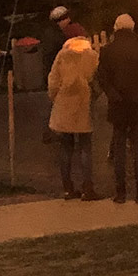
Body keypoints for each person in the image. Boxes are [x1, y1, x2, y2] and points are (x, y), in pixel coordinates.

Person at [95, 13, 138, 203]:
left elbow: (101, 77)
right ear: (131, 28)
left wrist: (113, 94)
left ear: (116, 28)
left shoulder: (107, 51)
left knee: (119, 149)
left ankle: (120, 192)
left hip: (118, 105)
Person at [47, 26, 100, 200]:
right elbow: (97, 81)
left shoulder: (62, 56)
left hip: (64, 106)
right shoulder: (92, 56)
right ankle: (87, 188)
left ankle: (68, 188)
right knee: (85, 147)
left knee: (65, 148)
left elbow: (53, 82)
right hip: (83, 105)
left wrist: (56, 98)